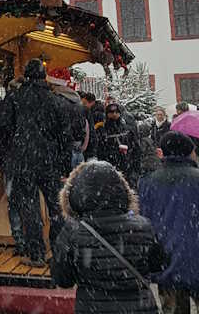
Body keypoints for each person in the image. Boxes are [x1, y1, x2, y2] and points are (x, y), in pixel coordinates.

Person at [52, 161, 169, 314]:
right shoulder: (143, 226)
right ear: (122, 191)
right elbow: (158, 264)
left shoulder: (73, 231)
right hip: (140, 308)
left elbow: (63, 280)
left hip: (93, 308)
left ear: (76, 194)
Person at [2, 59, 71, 266]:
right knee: (56, 208)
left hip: (24, 161)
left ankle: (37, 253)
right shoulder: (55, 100)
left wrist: (14, 148)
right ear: (44, 76)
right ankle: (58, 254)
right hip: (49, 162)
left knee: (29, 207)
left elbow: (4, 126)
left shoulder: (15, 98)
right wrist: (63, 164)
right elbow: (64, 135)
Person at [139, 131, 199, 314]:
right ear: (189, 152)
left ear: (163, 152)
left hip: (166, 262)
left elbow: (144, 221)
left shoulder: (147, 182)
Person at [0, 77, 26, 256]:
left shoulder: (2, 106)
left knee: (13, 201)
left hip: (10, 160)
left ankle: (19, 239)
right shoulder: (28, 106)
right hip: (28, 160)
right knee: (28, 200)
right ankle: (31, 239)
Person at [96, 102, 142, 187]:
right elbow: (99, 150)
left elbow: (136, 149)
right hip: (110, 167)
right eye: (111, 112)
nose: (114, 114)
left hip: (127, 167)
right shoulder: (102, 130)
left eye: (116, 112)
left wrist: (135, 169)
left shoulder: (126, 129)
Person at [79, 92, 104, 159]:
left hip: (96, 145)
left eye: (84, 103)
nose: (83, 105)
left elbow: (97, 129)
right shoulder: (92, 111)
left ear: (92, 102)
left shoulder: (97, 113)